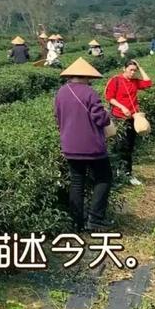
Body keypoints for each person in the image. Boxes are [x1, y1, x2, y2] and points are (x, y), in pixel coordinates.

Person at [54, 57, 113, 232]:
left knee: (77, 182)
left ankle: (76, 223)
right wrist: (107, 114)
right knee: (104, 178)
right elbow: (100, 119)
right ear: (86, 76)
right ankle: (95, 218)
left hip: (70, 145)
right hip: (92, 146)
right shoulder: (89, 92)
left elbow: (57, 118)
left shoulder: (61, 92)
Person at [104, 59, 153, 185]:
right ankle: (118, 173)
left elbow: (148, 83)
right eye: (130, 70)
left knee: (129, 146)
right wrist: (122, 107)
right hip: (119, 117)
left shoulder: (135, 82)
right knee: (119, 146)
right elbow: (110, 98)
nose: (132, 73)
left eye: (134, 71)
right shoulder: (116, 80)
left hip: (133, 118)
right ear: (124, 68)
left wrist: (140, 67)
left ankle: (127, 173)